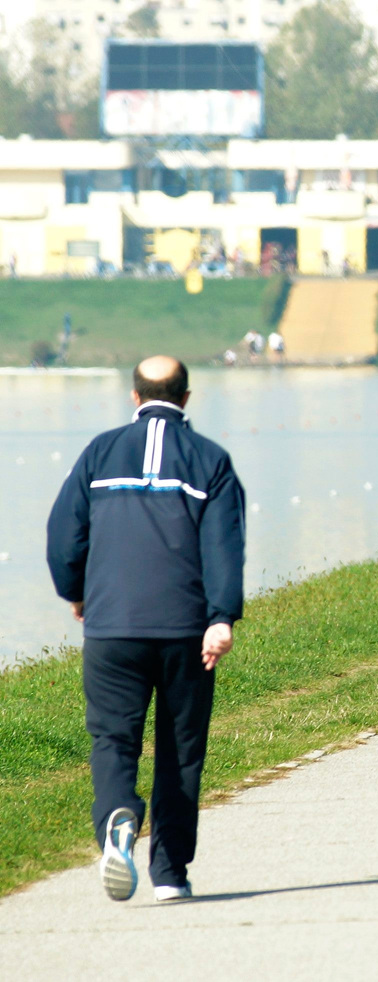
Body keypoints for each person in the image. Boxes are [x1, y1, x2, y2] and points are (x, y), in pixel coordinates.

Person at [45, 356, 246, 903]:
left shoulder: (100, 453)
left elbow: (64, 536)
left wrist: (77, 592)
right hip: (186, 628)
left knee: (113, 737)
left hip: (112, 628)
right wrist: (222, 616)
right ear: (186, 397)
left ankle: (116, 815)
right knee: (181, 748)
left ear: (134, 397)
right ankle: (169, 873)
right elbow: (223, 547)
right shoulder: (211, 460)